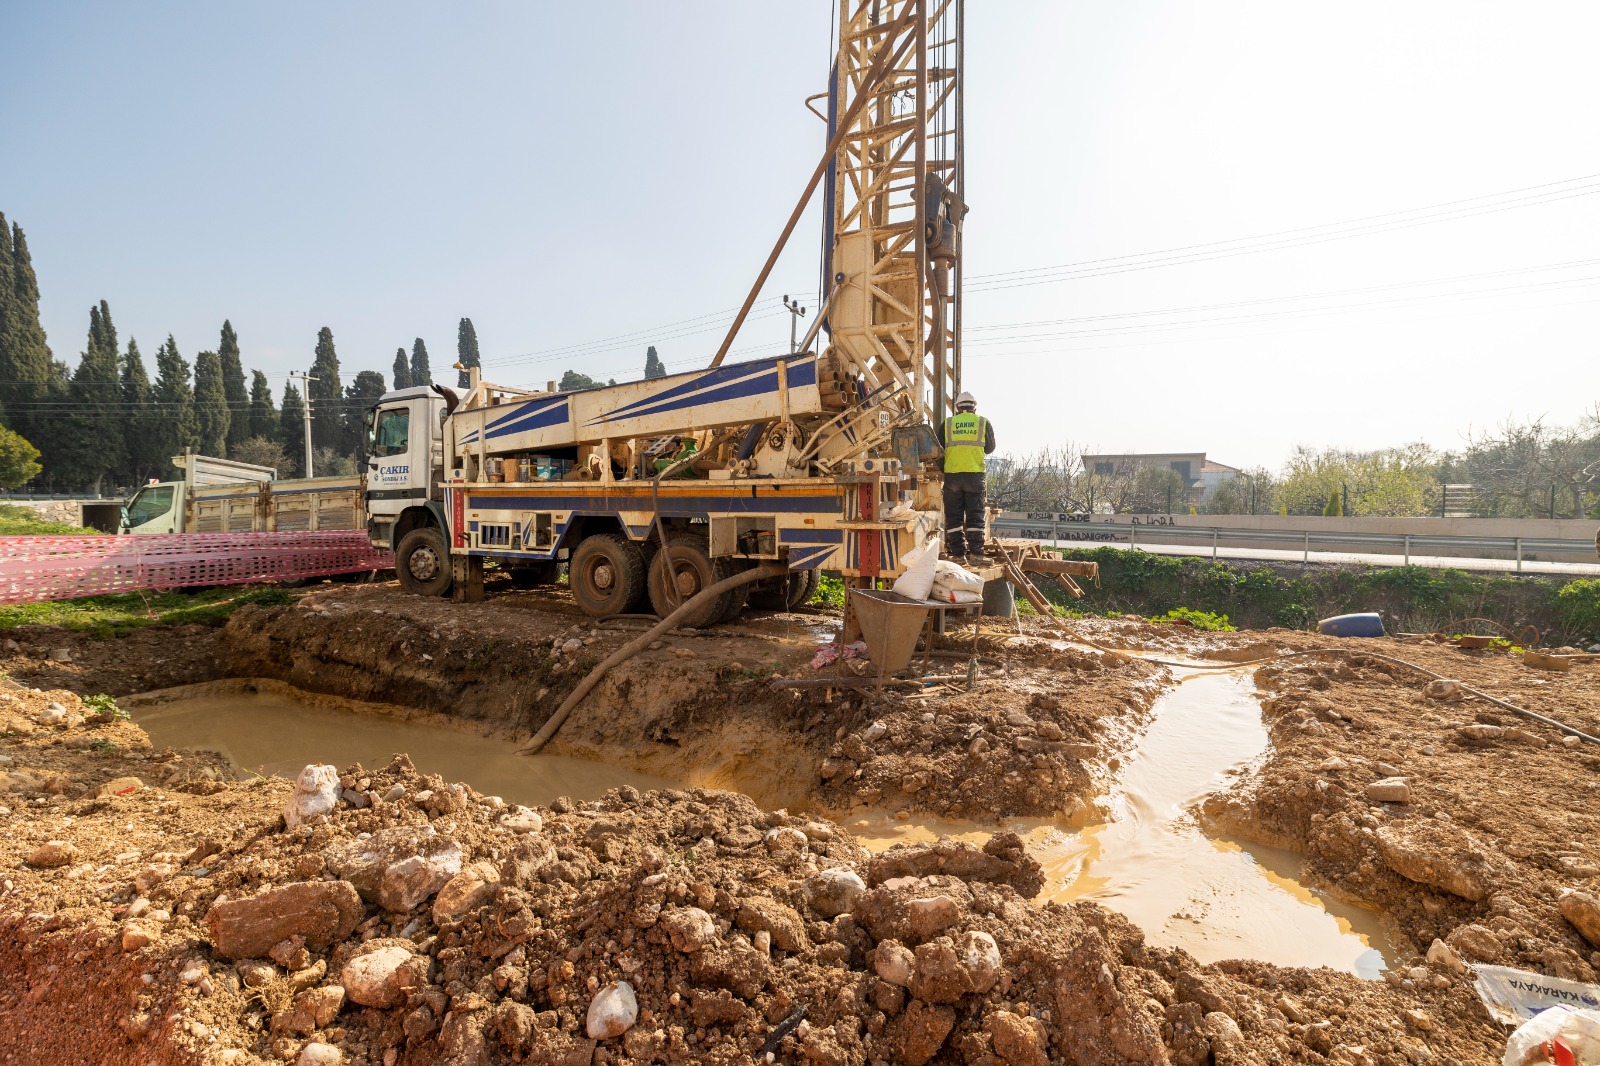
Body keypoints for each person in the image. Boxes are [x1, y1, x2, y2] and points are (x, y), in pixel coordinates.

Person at [940, 391, 995, 562]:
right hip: (974, 475)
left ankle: (958, 555)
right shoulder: (982, 423)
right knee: (975, 515)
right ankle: (977, 554)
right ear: (974, 407)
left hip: (952, 476)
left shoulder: (947, 424)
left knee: (954, 516)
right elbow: (990, 448)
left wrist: (945, 468)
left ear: (956, 407)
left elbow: (938, 450)